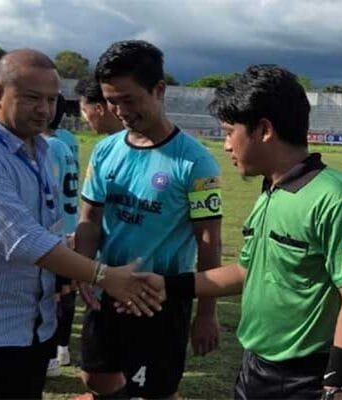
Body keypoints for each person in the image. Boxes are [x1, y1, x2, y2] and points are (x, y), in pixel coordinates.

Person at [0, 49, 162, 399]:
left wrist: (68, 257)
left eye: (52, 99)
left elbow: (42, 228)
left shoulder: (38, 149)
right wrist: (103, 275)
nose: (44, 109)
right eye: (31, 98)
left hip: (25, 327)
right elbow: (20, 239)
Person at [139, 65, 342, 399]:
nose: (225, 146)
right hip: (256, 366)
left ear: (264, 129)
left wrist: (337, 385)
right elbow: (245, 271)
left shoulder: (339, 200)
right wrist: (166, 286)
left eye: (228, 132)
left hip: (308, 379)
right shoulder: (271, 191)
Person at [76, 40, 222, 399]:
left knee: (152, 391)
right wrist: (83, 270)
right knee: (95, 378)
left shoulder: (195, 162)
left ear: (159, 90)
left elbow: (208, 241)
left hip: (159, 298)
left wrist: (206, 313)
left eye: (129, 99)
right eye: (112, 100)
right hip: (107, 287)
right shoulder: (106, 150)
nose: (119, 110)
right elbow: (90, 215)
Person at [42, 102, 80, 376]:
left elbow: (49, 190)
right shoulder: (65, 144)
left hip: (56, 230)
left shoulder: (48, 147)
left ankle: (53, 356)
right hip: (71, 224)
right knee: (66, 292)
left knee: (54, 295)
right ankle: (63, 349)